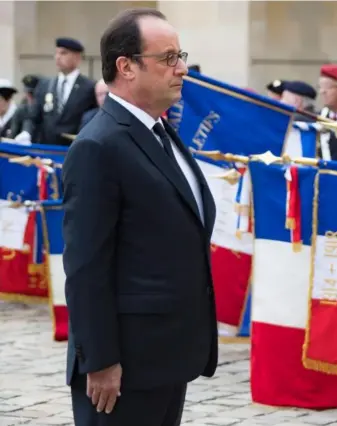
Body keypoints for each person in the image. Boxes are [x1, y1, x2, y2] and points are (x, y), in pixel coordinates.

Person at [62, 8, 218, 426]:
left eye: (180, 55)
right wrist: (100, 360)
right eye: (168, 58)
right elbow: (85, 266)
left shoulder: (160, 132)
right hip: (123, 368)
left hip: (167, 357)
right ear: (126, 66)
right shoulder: (99, 145)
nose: (182, 68)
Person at [15, 37, 97, 146]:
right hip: (47, 148)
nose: (57, 57)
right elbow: (33, 115)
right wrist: (27, 132)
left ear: (77, 57)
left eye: (63, 53)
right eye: (56, 53)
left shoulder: (89, 87)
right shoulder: (45, 85)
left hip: (74, 148)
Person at [10, 74, 41, 139]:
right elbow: (13, 132)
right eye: (28, 93)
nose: (30, 96)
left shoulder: (43, 109)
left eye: (32, 93)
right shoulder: (21, 110)